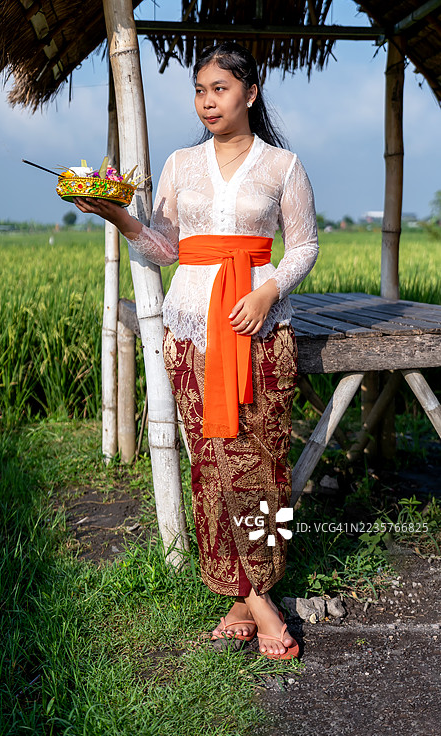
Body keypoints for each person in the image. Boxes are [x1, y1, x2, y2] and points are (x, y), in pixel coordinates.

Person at [73, 41, 319, 659]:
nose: (208, 102)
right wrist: (122, 220)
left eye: (221, 89)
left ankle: (246, 594)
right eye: (200, 90)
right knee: (211, 464)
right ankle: (259, 601)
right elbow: (166, 245)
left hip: (260, 330)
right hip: (193, 330)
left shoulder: (283, 166)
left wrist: (268, 291)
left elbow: (305, 246)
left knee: (262, 466)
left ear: (250, 93)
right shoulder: (182, 164)